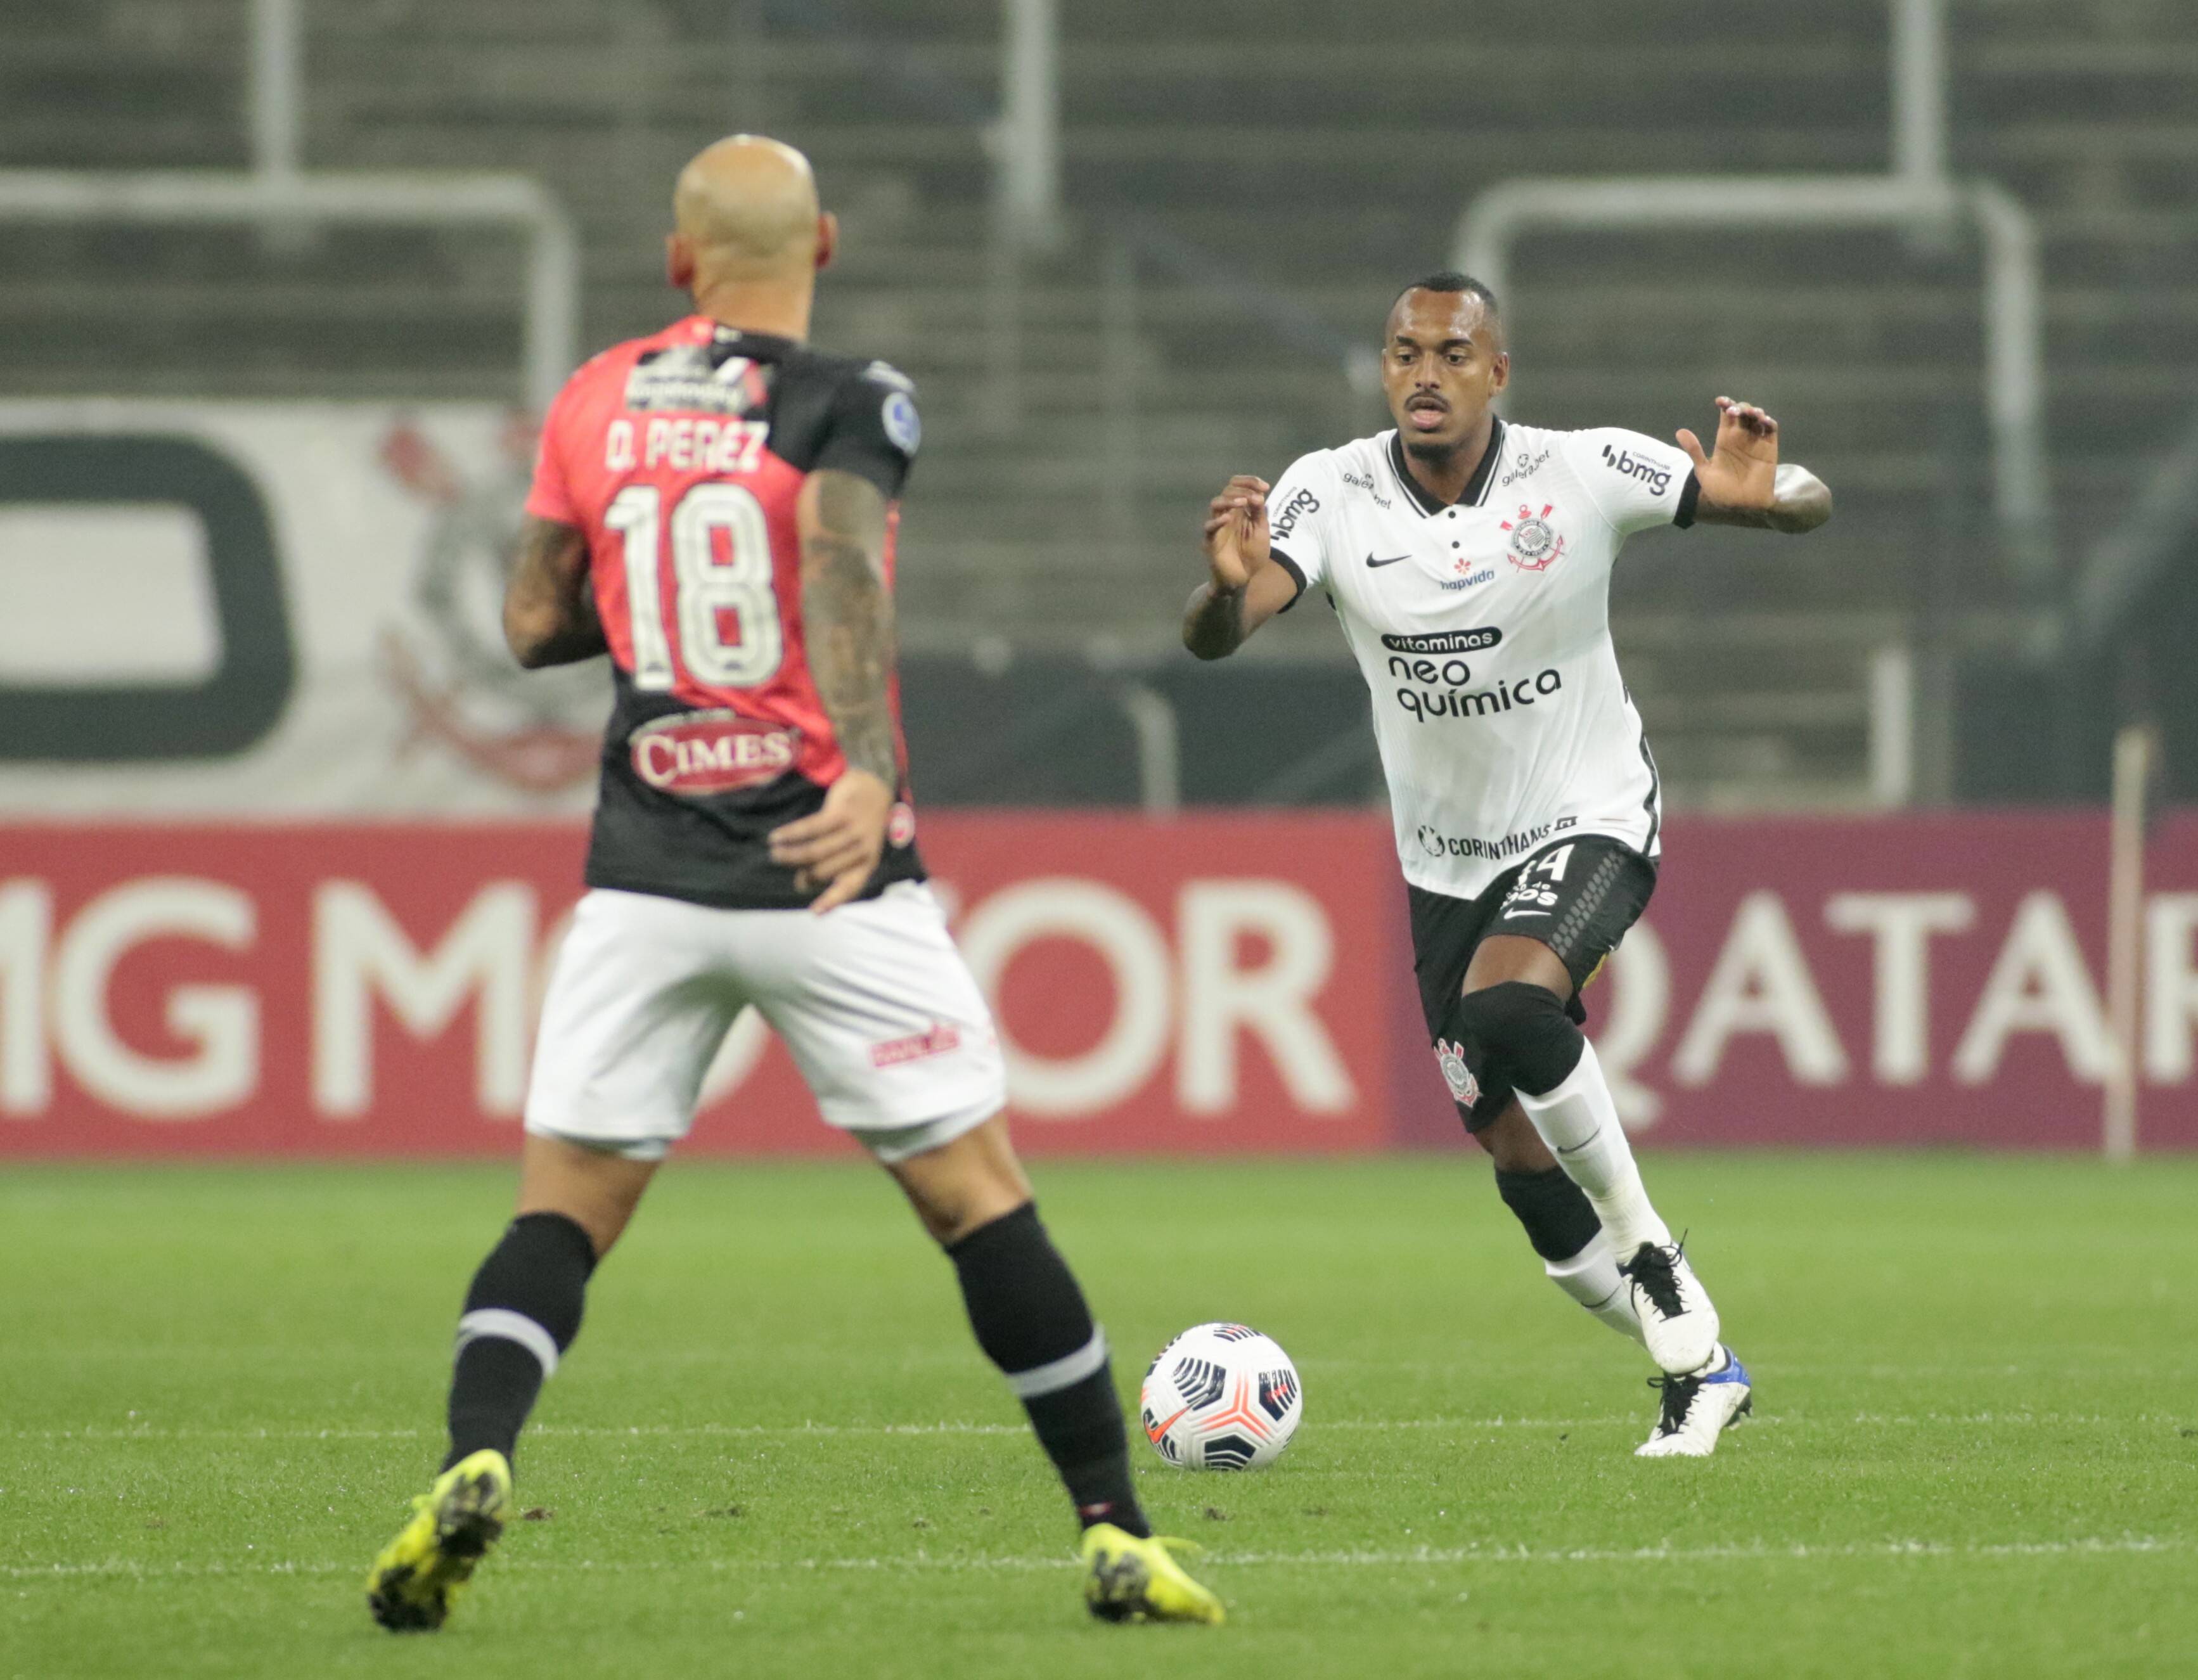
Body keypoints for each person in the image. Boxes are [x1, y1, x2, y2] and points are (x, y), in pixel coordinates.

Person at [365, 135, 1220, 1632]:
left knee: (561, 1213)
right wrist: (873, 771)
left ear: (678, 260)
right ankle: (1115, 1530)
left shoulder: (594, 395)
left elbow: (527, 621)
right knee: (977, 1201)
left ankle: (476, 1456)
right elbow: (837, 569)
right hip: (831, 867)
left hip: (646, 875)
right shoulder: (846, 398)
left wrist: (660, 619)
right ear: (821, 242)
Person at [1183, 272, 1833, 1457]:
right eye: (1401, 353)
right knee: (1514, 1160)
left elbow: (1798, 496)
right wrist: (1221, 593)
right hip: (1443, 867)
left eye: (1450, 351)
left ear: (1497, 373)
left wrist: (1766, 495)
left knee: (1514, 999)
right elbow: (1231, 623)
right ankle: (1697, 1363)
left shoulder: (1579, 470)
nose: (1423, 373)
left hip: (1587, 813)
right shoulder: (1328, 489)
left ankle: (1653, 1254)